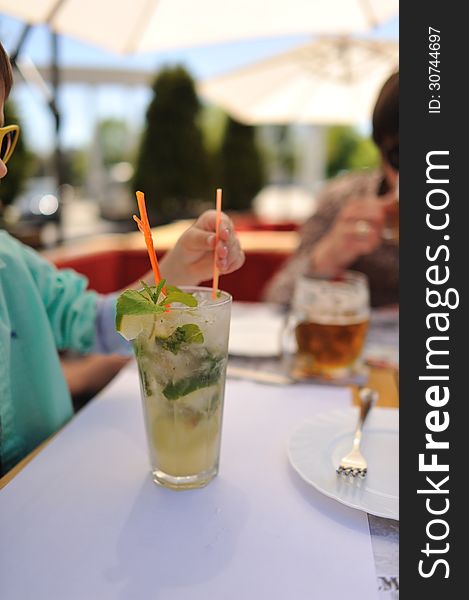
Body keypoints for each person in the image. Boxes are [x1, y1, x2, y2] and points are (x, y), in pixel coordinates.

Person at [0, 41, 245, 475]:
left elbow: (95, 324)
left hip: (54, 478)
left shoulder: (11, 261)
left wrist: (173, 270)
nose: (2, 169)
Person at [263, 72, 399, 308]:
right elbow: (277, 299)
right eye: (401, 153)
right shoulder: (343, 200)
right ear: (380, 149)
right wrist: (329, 255)